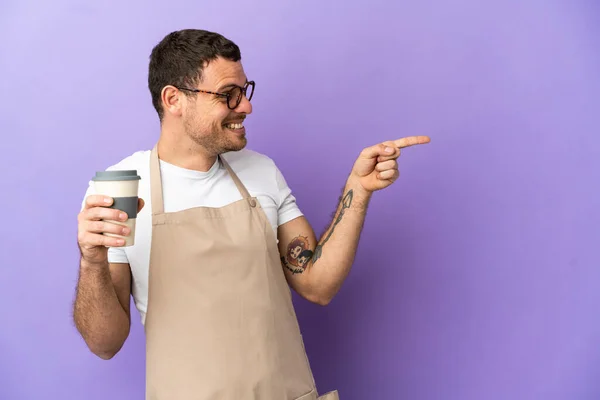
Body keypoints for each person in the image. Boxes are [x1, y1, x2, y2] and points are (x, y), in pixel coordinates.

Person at [72, 29, 430, 400]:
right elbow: (105, 343)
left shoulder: (260, 171)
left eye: (245, 91)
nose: (246, 107)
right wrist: (91, 262)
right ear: (174, 99)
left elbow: (318, 285)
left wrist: (359, 189)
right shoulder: (122, 191)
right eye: (229, 94)